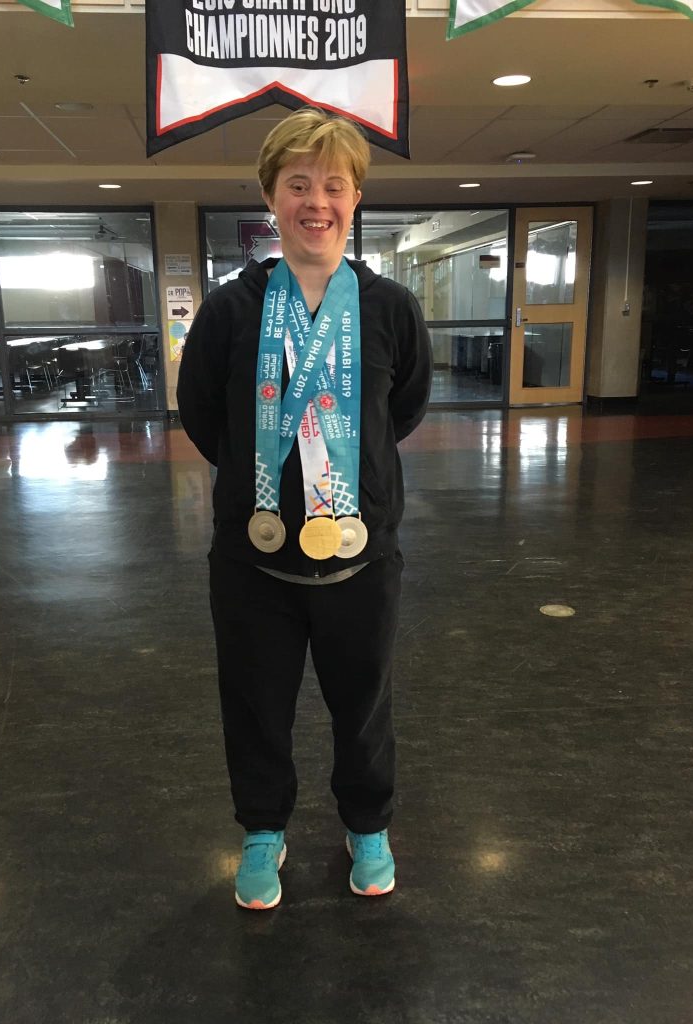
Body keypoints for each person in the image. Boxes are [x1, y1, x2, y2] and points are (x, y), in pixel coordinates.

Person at [177, 107, 432, 910]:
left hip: (362, 555)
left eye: (333, 184)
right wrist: (266, 478)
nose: (315, 201)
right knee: (255, 703)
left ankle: (367, 823)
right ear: (271, 196)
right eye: (298, 184)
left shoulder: (390, 307)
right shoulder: (230, 307)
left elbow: (405, 409)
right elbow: (202, 414)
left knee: (365, 703)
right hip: (255, 560)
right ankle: (262, 828)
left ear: (355, 199)